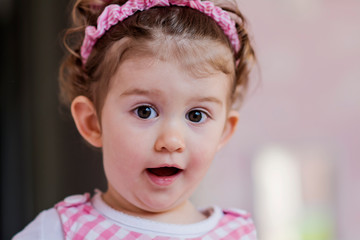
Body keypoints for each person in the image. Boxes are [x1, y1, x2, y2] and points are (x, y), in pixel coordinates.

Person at [13, 0, 256, 239]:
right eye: (144, 111)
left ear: (224, 130)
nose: (171, 141)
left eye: (196, 115)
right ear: (92, 122)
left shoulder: (237, 234)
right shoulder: (58, 230)